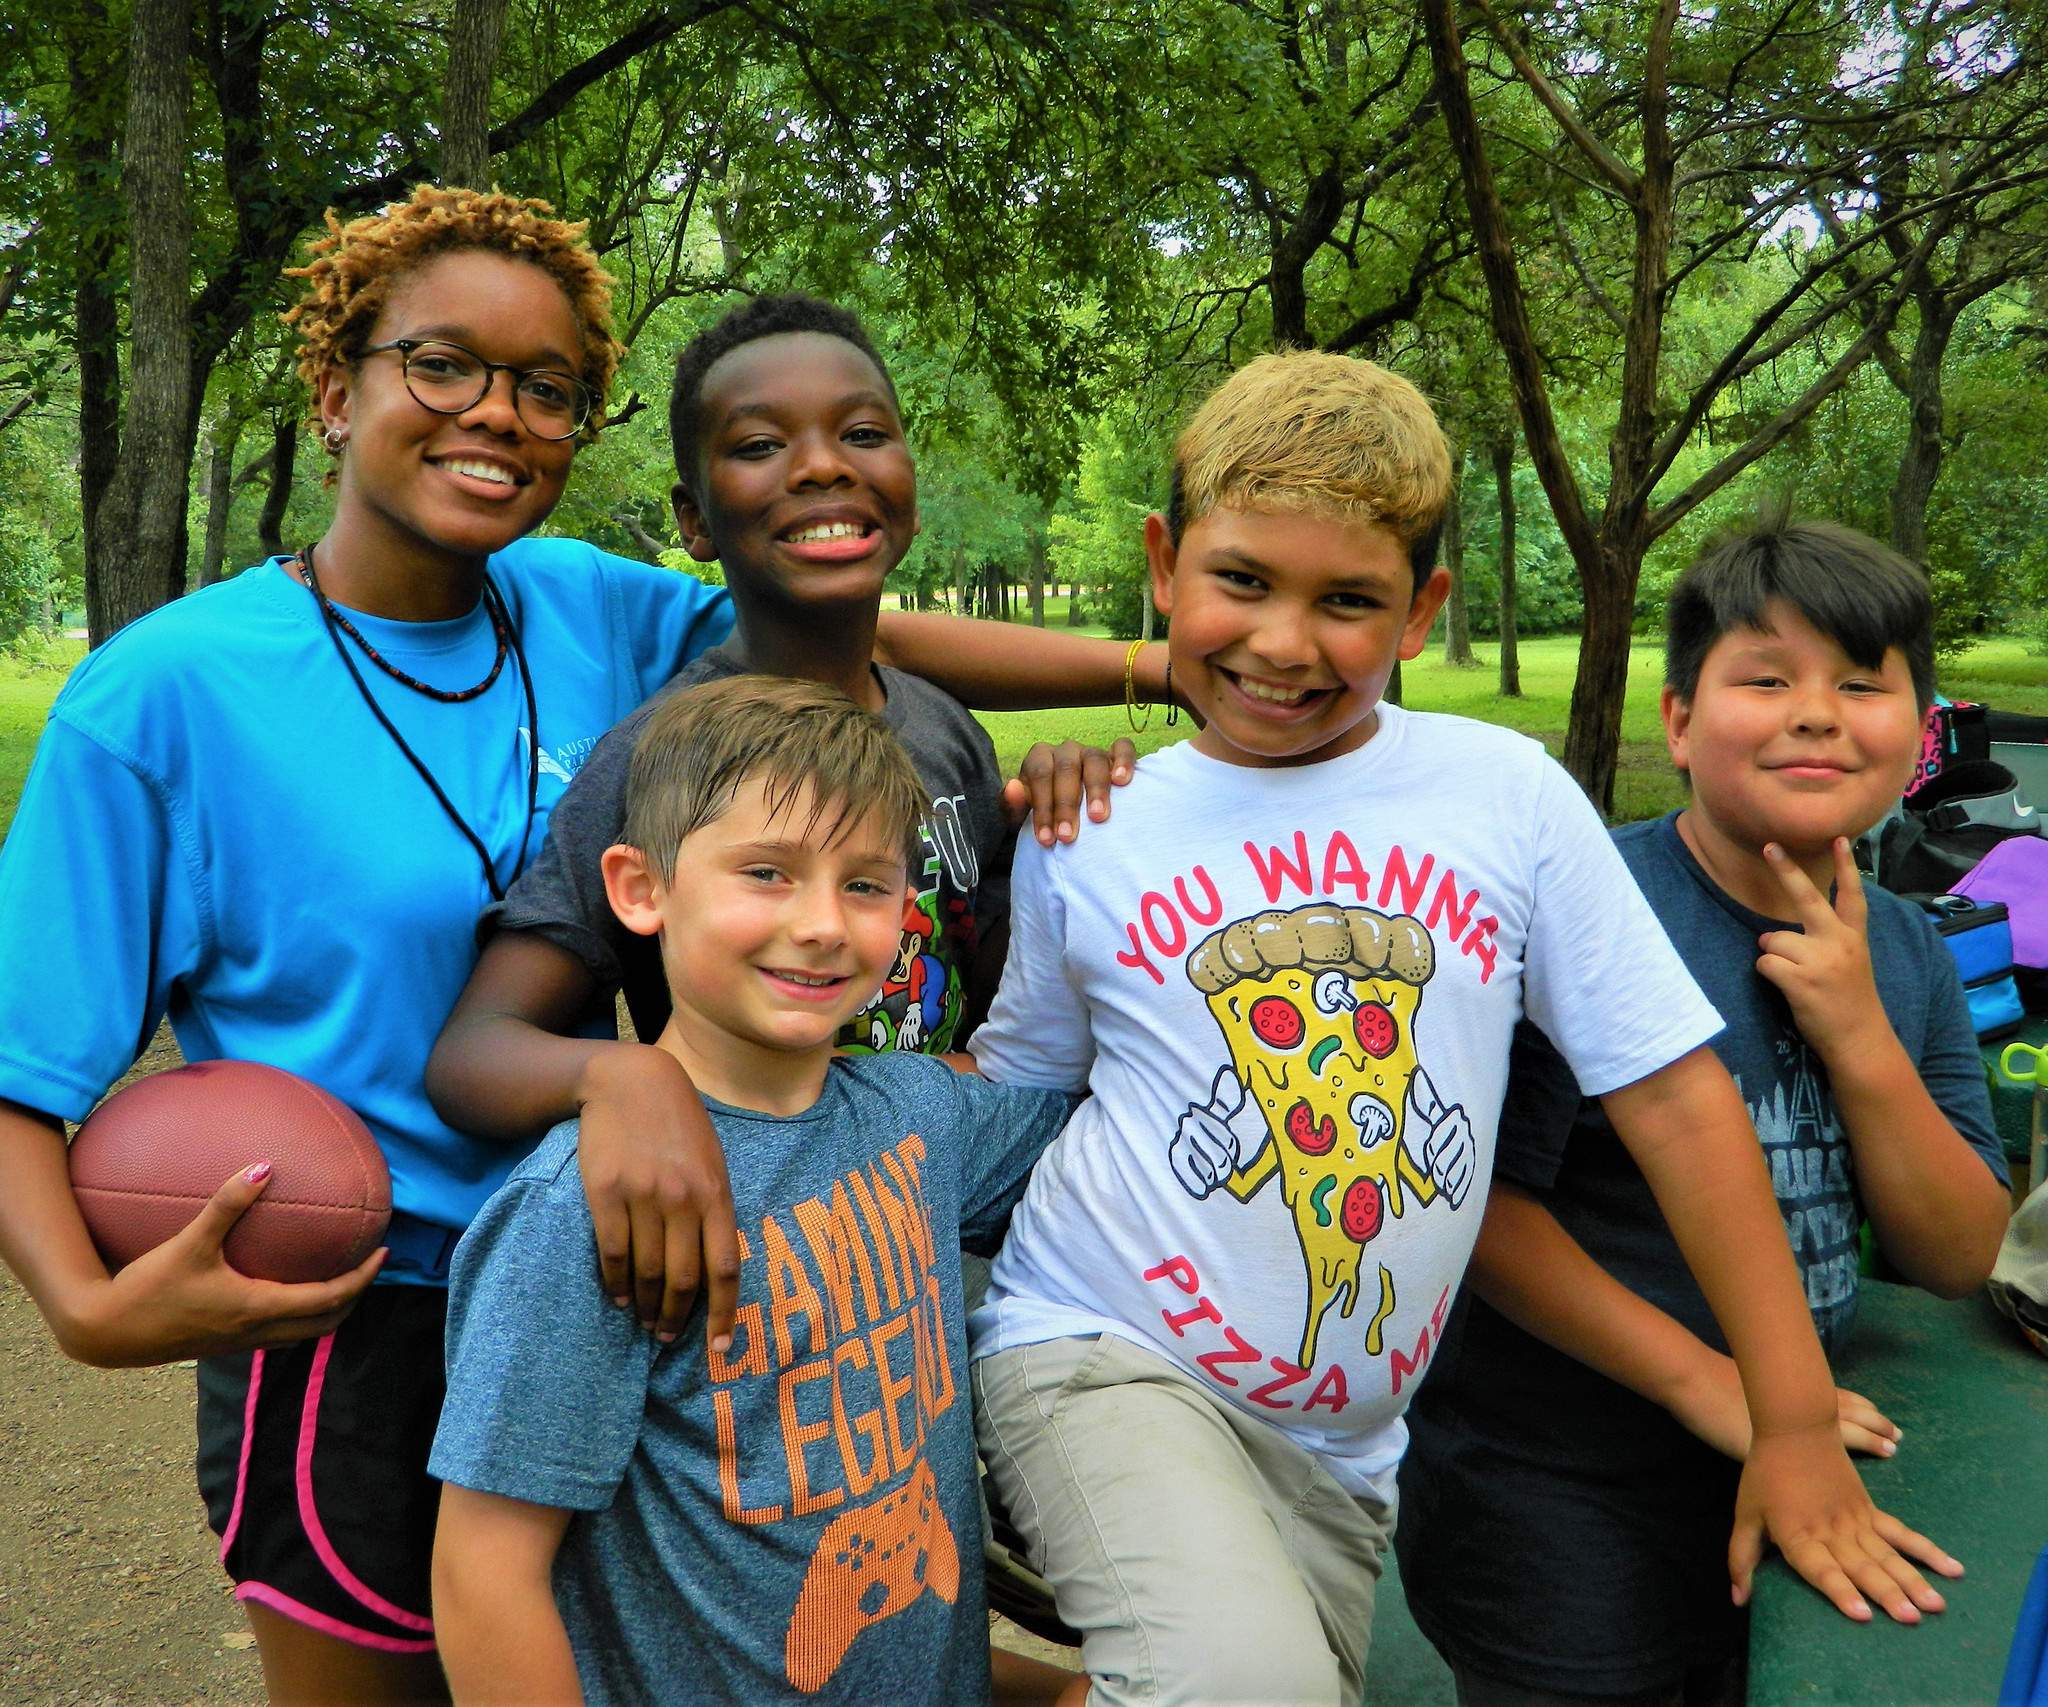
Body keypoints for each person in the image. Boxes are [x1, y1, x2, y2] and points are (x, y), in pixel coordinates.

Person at [0, 191, 1141, 1704]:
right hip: (372, 1303)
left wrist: (1161, 669)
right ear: (336, 393)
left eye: (547, 389)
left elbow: (847, 606)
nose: (500, 416)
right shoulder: (166, 698)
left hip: (652, 1276)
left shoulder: (582, 608)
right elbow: (24, 1063)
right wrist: (80, 1305)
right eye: (445, 366)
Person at [959, 353, 1958, 1707]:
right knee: (1243, 1691)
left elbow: (1673, 1095)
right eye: (1241, 579)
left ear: (1423, 607)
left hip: (1346, 1438)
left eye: (1349, 598)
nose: (1284, 641)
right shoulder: (1094, 828)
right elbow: (1016, 1089)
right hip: (1098, 1341)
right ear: (1163, 562)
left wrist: (1786, 1422)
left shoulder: (1502, 793)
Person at [424, 291, 1170, 1350]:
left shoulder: (944, 729)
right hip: (759, 1270)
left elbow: (1006, 999)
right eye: (762, 444)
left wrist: (1064, 834)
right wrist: (622, 1075)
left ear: (907, 480)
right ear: (693, 517)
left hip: (951, 1243)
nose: (822, 465)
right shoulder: (657, 759)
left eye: (863, 433)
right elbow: (473, 1053)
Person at [1397, 519, 2010, 1707]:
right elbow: (1479, 1213)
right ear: (1677, 722)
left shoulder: (1904, 950)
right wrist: (1721, 1390)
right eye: (1765, 678)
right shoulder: (1584, 914)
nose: (1817, 712)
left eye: (1861, 684)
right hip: (1561, 1486)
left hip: (1812, 1458)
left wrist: (1860, 1039)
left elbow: (1955, 1251)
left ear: (1920, 734)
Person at [429, 675, 1080, 1705]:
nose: (822, 924)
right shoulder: (580, 1208)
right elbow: (485, 1574)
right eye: (767, 873)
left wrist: (1088, 825)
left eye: (866, 885)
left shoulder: (919, 1116)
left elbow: (1123, 1128)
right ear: (640, 889)